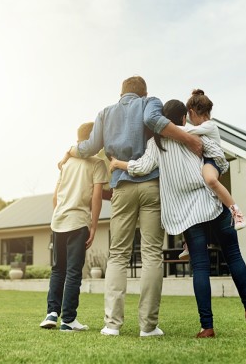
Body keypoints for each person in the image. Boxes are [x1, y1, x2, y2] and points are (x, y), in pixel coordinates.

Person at [59, 75, 202, 337]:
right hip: (151, 187)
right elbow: (153, 121)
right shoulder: (150, 102)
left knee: (118, 255)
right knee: (151, 255)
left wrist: (71, 149)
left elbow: (90, 147)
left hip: (121, 187)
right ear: (143, 92)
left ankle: (112, 325)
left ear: (121, 93)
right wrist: (188, 139)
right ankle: (148, 326)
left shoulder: (105, 113)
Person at [110, 99, 246, 338]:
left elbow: (141, 167)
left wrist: (118, 163)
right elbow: (218, 157)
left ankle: (207, 326)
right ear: (184, 118)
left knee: (200, 266)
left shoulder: (156, 142)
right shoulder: (193, 134)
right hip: (211, 202)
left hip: (187, 215)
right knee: (233, 255)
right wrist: (214, 168)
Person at [40, 122, 108, 332]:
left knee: (57, 270)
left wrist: (59, 214)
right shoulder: (97, 164)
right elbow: (97, 196)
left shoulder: (66, 163)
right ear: (94, 140)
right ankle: (68, 320)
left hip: (58, 221)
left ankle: (52, 313)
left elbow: (55, 196)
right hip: (78, 223)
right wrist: (94, 225)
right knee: (73, 272)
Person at [178, 89, 246, 260]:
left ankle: (236, 212)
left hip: (213, 162)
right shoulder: (203, 127)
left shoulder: (209, 126)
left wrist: (166, 126)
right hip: (205, 162)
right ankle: (188, 242)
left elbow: (187, 132)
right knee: (197, 202)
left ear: (192, 112)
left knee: (209, 180)